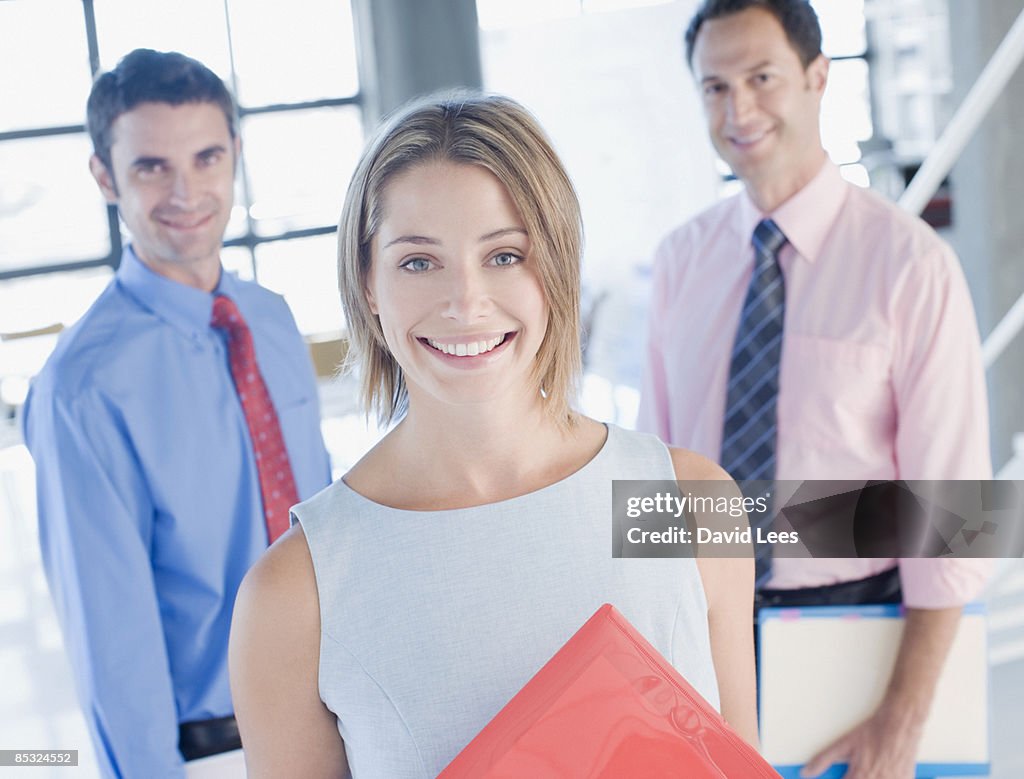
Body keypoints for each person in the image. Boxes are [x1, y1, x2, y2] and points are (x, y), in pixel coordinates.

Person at [229, 92, 758, 777]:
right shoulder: (296, 594)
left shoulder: (691, 502)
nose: (465, 302)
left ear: (557, 269)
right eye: (419, 261)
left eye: (505, 255)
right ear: (368, 284)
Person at [637, 1, 992, 777]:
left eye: (762, 78)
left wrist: (902, 717)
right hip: (699, 636)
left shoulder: (911, 265)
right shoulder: (678, 265)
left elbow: (955, 513)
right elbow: (654, 493)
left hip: (858, 628)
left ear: (818, 77)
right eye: (714, 87)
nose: (739, 109)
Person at [22, 49, 332, 778]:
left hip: (344, 711)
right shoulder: (81, 386)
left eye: (206, 157)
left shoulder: (272, 320)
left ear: (235, 155)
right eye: (151, 166)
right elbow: (112, 645)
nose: (186, 191)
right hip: (217, 751)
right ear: (105, 176)